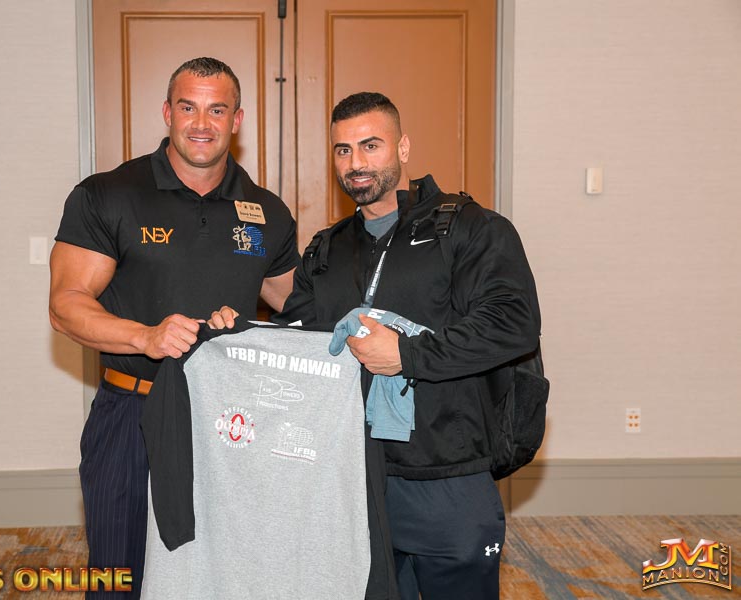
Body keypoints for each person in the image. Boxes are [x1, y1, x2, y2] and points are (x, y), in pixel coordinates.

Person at [274, 92, 541, 599]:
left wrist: (407, 355)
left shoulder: (470, 228)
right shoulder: (327, 249)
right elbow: (298, 343)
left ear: (402, 148)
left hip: (447, 476)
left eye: (370, 145)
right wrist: (231, 331)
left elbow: (514, 322)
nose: (356, 162)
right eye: (343, 150)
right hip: (352, 478)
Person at [49, 57, 298, 598]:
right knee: (119, 575)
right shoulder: (108, 195)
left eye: (217, 110)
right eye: (188, 107)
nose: (201, 123)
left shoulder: (268, 212)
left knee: (225, 575)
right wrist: (146, 336)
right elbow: (66, 305)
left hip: (230, 421)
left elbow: (300, 313)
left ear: (237, 120)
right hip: (132, 414)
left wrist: (249, 329)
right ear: (167, 113)